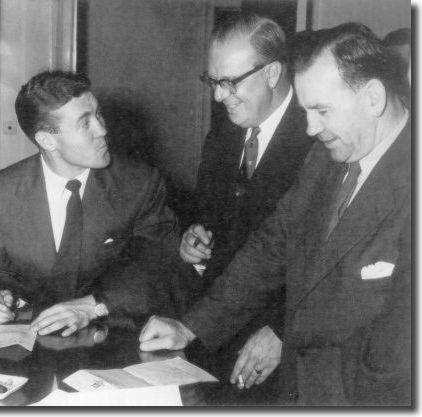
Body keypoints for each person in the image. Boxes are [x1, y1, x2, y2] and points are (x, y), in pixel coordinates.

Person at [139, 23, 411, 405]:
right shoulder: (326, 158)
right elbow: (271, 246)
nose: (312, 128)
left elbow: (400, 356)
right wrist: (191, 327)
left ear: (373, 98)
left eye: (321, 111)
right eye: (306, 111)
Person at [0, 70, 179, 337]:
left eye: (99, 114)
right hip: (33, 339)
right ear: (47, 140)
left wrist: (94, 306)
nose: (103, 130)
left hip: (114, 336)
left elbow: (159, 267)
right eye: (85, 123)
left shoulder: (140, 183)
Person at [179, 12, 313, 392]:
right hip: (218, 332)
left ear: (271, 74)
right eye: (212, 82)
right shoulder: (222, 136)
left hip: (284, 349)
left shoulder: (319, 137)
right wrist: (194, 240)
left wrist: (285, 331)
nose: (219, 96)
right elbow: (212, 218)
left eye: (229, 82)